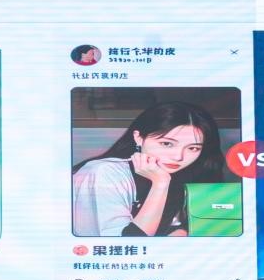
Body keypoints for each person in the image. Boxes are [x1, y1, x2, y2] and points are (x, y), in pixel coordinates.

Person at [72, 101, 225, 236]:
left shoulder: (183, 175)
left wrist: (182, 232)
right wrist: (160, 184)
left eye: (193, 148)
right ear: (138, 137)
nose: (178, 157)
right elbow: (127, 245)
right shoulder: (104, 172)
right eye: (167, 144)